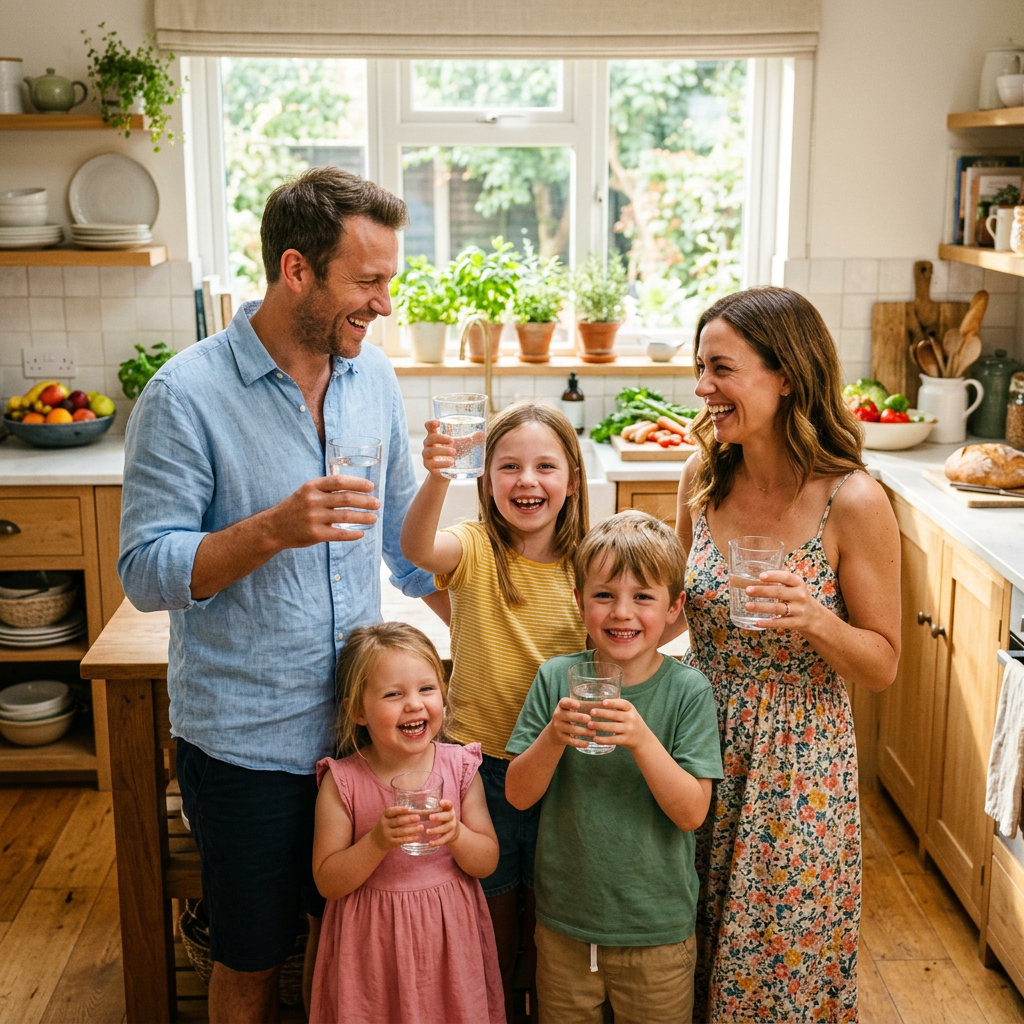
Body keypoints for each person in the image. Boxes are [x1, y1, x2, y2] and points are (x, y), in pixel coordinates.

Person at [118, 167, 447, 1024]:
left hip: (358, 739)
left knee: (351, 946)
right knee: (251, 963)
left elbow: (405, 553)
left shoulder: (371, 381)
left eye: (390, 282)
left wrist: (502, 616)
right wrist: (271, 529)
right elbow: (147, 573)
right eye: (367, 281)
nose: (383, 304)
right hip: (245, 746)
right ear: (296, 270)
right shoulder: (184, 395)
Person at [675, 286, 901, 1022]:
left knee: (777, 972)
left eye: (722, 368)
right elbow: (674, 609)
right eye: (700, 367)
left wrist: (814, 620)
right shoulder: (702, 477)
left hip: (796, 772)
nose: (703, 387)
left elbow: (883, 662)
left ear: (787, 376)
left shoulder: (854, 501)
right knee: (688, 957)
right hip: (698, 746)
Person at [400, 400, 589, 1021]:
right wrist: (437, 474)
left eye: (544, 467)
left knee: (550, 929)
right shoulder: (474, 548)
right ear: (485, 479)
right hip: (479, 775)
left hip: (565, 773)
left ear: (572, 479)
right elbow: (415, 547)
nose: (527, 481)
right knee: (493, 925)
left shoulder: (589, 563)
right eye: (508, 466)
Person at [505, 511, 724, 1024]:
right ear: (580, 603)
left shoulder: (688, 690)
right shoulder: (556, 678)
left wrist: (643, 740)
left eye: (643, 597)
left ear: (675, 608)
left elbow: (692, 812)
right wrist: (553, 738)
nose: (622, 612)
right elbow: (517, 794)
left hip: (657, 931)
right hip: (564, 927)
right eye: (604, 595)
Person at [310, 622, 504, 1024]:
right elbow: (327, 881)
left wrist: (457, 834)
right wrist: (376, 841)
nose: (414, 704)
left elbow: (486, 862)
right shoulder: (342, 781)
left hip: (448, 939)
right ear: (357, 711)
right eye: (393, 694)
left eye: (426, 689)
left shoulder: (461, 768)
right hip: (371, 947)